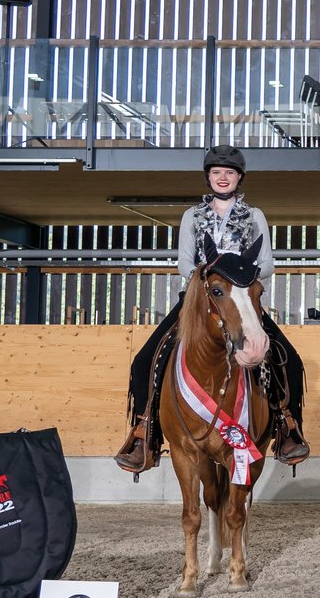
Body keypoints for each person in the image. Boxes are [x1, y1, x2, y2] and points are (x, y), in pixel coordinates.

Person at [114, 145, 309, 471]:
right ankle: (143, 432)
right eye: (217, 172)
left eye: (229, 172)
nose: (223, 177)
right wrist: (206, 281)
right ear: (208, 177)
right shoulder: (192, 216)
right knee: (145, 359)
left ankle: (288, 426)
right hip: (200, 299)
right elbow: (184, 263)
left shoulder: (254, 215)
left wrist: (241, 279)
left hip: (240, 300)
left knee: (288, 358)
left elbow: (267, 264)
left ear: (239, 177)